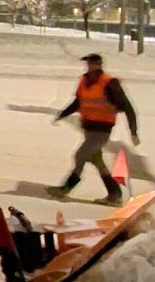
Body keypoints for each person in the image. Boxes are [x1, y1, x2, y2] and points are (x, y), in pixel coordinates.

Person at [48, 53, 140, 205]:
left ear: (99, 65)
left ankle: (66, 188)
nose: (89, 66)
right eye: (88, 64)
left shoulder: (110, 83)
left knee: (80, 155)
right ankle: (114, 194)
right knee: (96, 160)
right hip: (89, 128)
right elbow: (78, 102)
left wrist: (133, 131)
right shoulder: (84, 81)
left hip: (102, 129)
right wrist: (62, 115)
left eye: (92, 64)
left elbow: (127, 107)